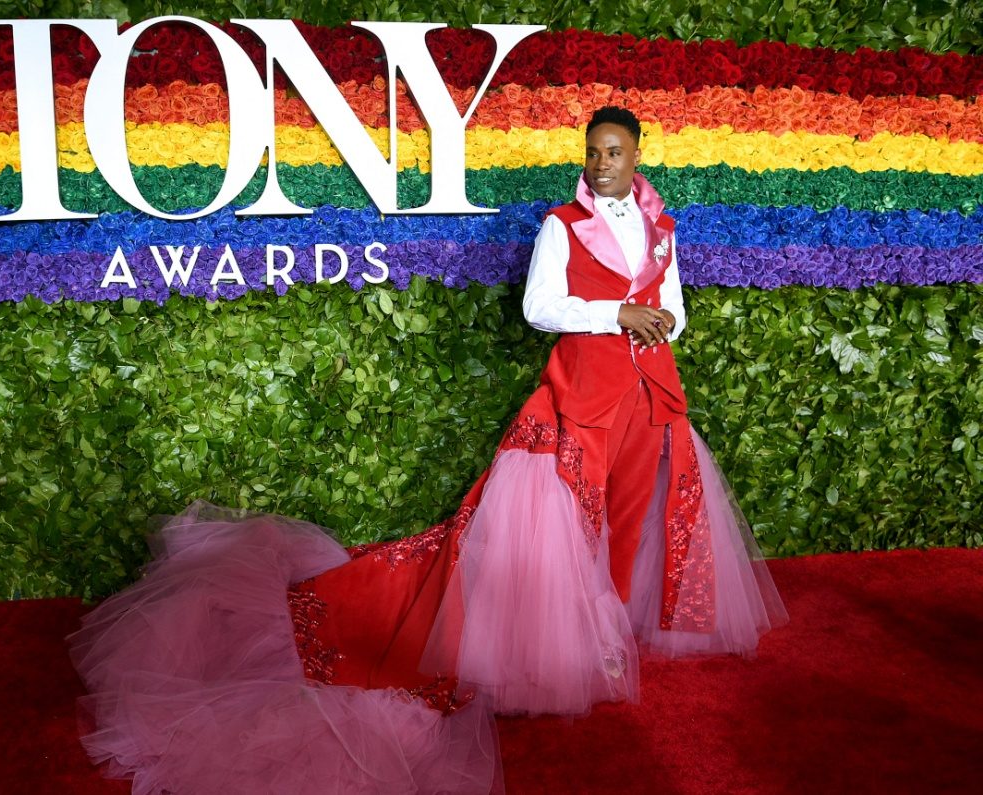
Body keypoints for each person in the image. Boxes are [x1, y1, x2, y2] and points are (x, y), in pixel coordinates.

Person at [68, 107, 788, 794]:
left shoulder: (665, 228)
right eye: (593, 152)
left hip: (650, 394)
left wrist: (660, 322)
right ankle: (572, 646)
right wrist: (614, 313)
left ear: (637, 157)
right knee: (571, 518)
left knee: (635, 512)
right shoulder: (561, 227)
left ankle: (615, 634)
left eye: (615, 152)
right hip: (580, 395)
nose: (602, 163)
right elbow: (540, 307)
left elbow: (676, 307)